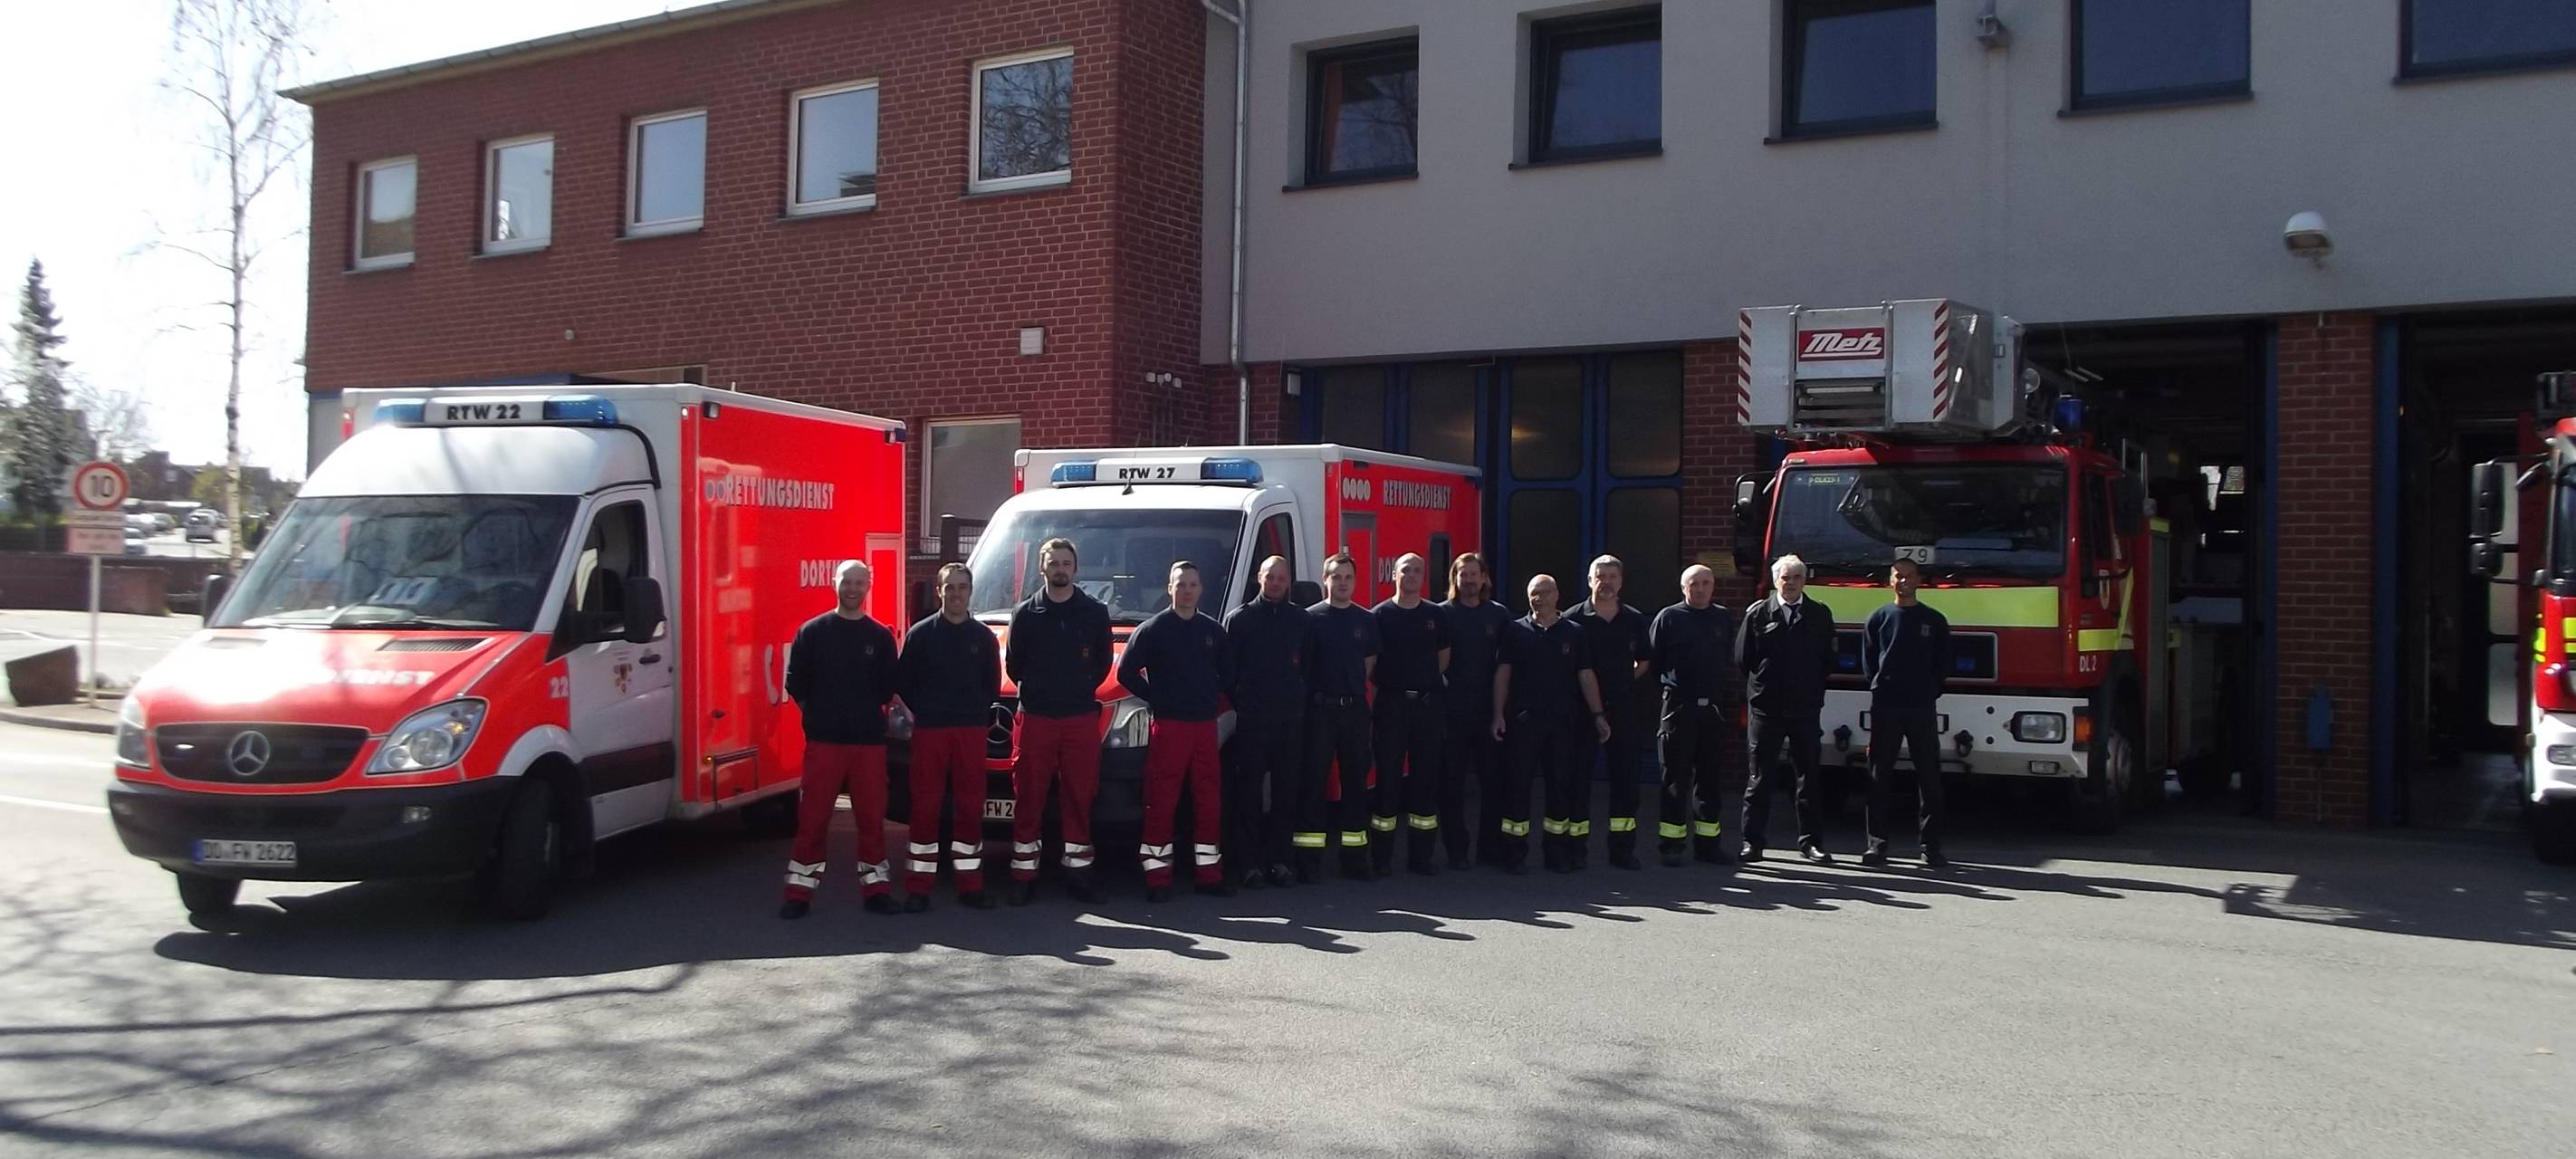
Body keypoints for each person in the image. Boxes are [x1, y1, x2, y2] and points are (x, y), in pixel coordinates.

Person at [780, 560, 901, 919]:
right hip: (825, 742)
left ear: (869, 587)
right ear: (834, 583)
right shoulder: (813, 632)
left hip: (867, 743)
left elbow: (886, 689)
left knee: (871, 819)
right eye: (846, 581)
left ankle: (876, 890)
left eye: (859, 582)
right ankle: (799, 893)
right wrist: (820, 716)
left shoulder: (879, 637)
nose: (852, 588)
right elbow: (796, 684)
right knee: (813, 819)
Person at [1117, 560, 1236, 902]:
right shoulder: (1153, 629)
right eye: (1180, 584)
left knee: (1208, 800)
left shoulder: (1212, 632)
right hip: (1168, 727)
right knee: (1161, 800)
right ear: (1169, 588)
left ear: (1201, 589)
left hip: (1203, 727)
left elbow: (1228, 672)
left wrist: (1209, 693)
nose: (1186, 590)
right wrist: (1158, 697)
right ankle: (1157, 877)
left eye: (1192, 584)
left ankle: (1209, 874)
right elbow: (1126, 672)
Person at [1005, 537, 1114, 906]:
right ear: (1042, 568)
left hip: (1080, 717)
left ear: (1076, 568)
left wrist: (1079, 687)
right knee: (1029, 796)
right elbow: (1013, 665)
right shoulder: (1025, 614)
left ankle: (1079, 875)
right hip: (1036, 717)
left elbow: (1101, 664)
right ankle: (1023, 875)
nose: (1060, 569)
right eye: (1054, 562)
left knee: (1080, 796)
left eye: (1067, 562)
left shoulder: (1095, 613)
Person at [895, 562, 1001, 912]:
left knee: (970, 806)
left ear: (971, 592)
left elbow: (991, 685)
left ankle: (971, 885)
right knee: (925, 807)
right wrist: (929, 709)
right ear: (939, 592)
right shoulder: (921, 635)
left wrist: (971, 711)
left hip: (970, 731)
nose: (956, 594)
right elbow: (905, 683)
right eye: (949, 587)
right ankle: (919, 887)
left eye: (962, 587)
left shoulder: (983, 638)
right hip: (932, 731)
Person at [1490, 575, 1611, 876]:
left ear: (1557, 595)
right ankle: (1514, 854)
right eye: (1532, 594)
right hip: (1524, 721)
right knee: (1517, 788)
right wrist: (1498, 714)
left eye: (1543, 593)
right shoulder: (1515, 631)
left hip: (1562, 722)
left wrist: (1598, 714)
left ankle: (1556, 853)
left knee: (1560, 787)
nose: (1538, 599)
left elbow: (1586, 676)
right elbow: (1503, 674)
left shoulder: (1574, 633)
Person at [1737, 554, 1840, 864]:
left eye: (1796, 577)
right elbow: (1744, 659)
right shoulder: (1758, 614)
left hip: (1805, 710)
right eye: (1785, 577)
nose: (1791, 583)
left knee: (1808, 778)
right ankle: (1752, 842)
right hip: (1766, 710)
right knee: (1760, 778)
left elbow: (1828, 662)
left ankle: (1811, 842)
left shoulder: (1819, 614)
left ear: (1804, 581)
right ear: (1775, 581)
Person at [1223, 555, 1308, 890]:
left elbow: (1309, 668)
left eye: (1281, 578)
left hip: (1290, 721)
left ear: (1289, 581)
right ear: (1259, 578)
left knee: (1287, 794)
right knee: (1249, 794)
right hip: (1253, 722)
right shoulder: (1240, 620)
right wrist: (1244, 702)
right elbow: (1228, 671)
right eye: (1269, 577)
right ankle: (1250, 865)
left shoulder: (1301, 621)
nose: (1275, 583)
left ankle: (1280, 862)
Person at [1860, 559, 1952, 868]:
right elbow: (1869, 661)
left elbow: (1943, 663)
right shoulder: (1879, 618)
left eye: (1910, 576)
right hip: (1885, 707)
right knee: (1878, 777)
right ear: (1890, 580)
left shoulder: (1934, 620)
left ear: (1919, 580)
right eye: (1899, 576)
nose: (1904, 581)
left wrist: (1929, 690)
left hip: (1921, 708)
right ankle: (1877, 845)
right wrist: (1880, 688)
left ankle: (1931, 847)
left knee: (1929, 778)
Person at [1295, 552, 1380, 882]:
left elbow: (1369, 664)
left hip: (1355, 710)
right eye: (1336, 577)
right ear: (1325, 580)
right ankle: (1308, 861)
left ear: (1354, 582)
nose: (1342, 583)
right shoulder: (1310, 619)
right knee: (1314, 783)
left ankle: (1355, 859)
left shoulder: (1366, 620)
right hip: (1320, 710)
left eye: (1348, 577)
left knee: (1356, 784)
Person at [1565, 554, 1652, 871]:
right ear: (1590, 581)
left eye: (1612, 576)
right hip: (1582, 711)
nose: (1606, 582)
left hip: (1624, 709)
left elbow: (1645, 661)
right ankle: (1576, 849)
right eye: (1600, 576)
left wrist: (1624, 682)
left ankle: (1622, 850)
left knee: (1626, 781)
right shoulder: (1574, 620)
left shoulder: (1634, 620)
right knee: (1578, 780)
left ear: (1621, 581)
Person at [1371, 552, 1453, 876]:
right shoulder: (1379, 615)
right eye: (1407, 570)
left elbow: (1443, 658)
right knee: (1388, 781)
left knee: (1425, 782)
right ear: (1394, 574)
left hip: (1427, 706)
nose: (1413, 575)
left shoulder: (1436, 615)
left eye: (1418, 571)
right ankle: (1382, 859)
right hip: (1392, 705)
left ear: (1424, 577)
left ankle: (1421, 858)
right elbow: (1372, 665)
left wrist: (1424, 682)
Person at [1650, 564, 1737, 867]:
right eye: (1693, 584)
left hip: (1711, 709)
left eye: (1705, 583)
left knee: (1709, 780)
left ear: (1713, 586)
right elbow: (1654, 661)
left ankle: (1708, 846)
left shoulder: (1722, 618)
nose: (1699, 589)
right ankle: (1671, 845)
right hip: (1678, 708)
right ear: (1683, 587)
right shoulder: (1669, 618)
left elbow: (1728, 658)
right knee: (1675, 779)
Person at [1439, 552, 1512, 872]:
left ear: (1484, 578)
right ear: (1454, 579)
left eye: (1473, 574)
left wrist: (1499, 713)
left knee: (1494, 784)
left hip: (1487, 713)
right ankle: (1457, 851)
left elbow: (1504, 667)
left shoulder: (1498, 616)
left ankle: (1490, 849)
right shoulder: (1441, 614)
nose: (1468, 580)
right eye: (1462, 574)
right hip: (1451, 713)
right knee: (1451, 786)